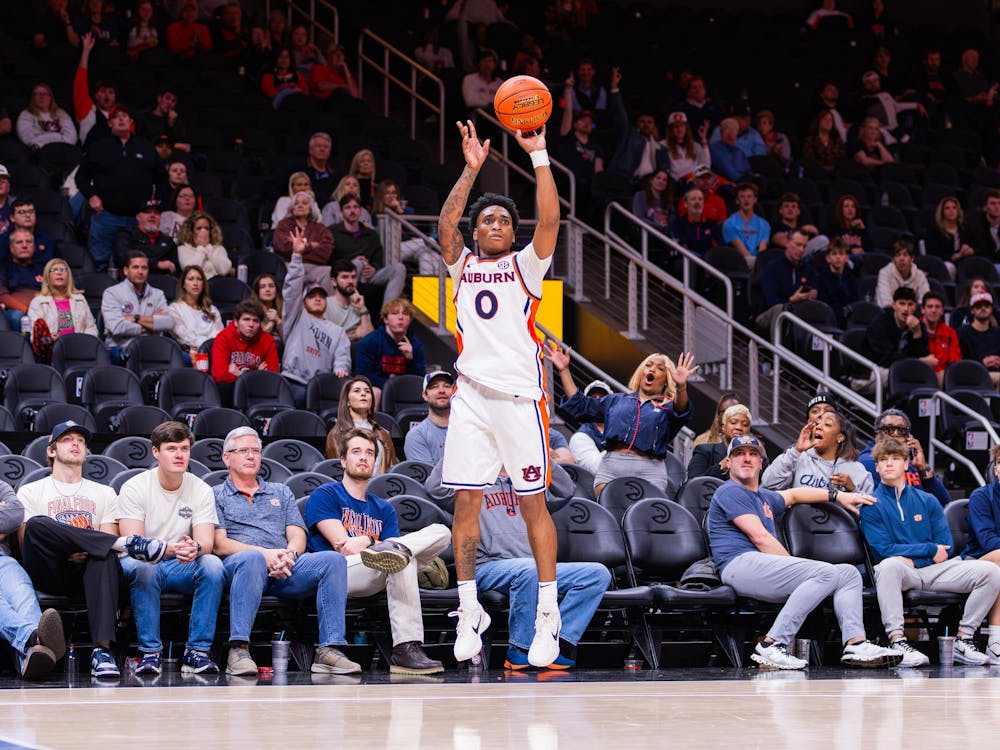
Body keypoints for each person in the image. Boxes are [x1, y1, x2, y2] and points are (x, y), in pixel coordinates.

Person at [435, 117, 567, 666]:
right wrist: (469, 172)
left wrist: (537, 154)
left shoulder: (526, 268)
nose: (492, 223)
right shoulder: (462, 265)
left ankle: (547, 614)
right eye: (485, 218)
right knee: (465, 502)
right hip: (470, 397)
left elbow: (552, 219)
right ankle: (470, 609)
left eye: (501, 219)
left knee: (531, 503)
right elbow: (446, 225)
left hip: (518, 401)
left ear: (512, 234)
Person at [708, 434, 900, 670]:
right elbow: (761, 538)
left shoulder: (765, 497)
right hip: (737, 565)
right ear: (728, 463)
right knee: (825, 573)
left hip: (760, 567)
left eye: (752, 454)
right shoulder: (729, 491)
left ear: (761, 463)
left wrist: (838, 495)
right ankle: (772, 644)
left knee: (848, 573)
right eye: (739, 454)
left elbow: (795, 494)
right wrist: (799, 571)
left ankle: (856, 643)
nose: (746, 459)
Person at [17, 420, 167, 679]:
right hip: (50, 569)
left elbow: (106, 538)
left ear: (86, 451)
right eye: (67, 439)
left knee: (104, 553)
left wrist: (89, 549)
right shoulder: (31, 491)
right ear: (51, 451)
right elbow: (26, 542)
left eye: (80, 440)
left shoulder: (105, 493)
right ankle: (127, 543)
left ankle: (102, 651)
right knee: (38, 524)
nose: (75, 443)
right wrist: (71, 548)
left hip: (90, 570)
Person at [429, 457, 609, 670]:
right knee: (529, 570)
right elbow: (434, 488)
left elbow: (566, 488)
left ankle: (558, 642)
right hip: (488, 566)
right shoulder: (471, 486)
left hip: (534, 568)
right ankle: (520, 648)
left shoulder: (530, 485)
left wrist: (536, 449)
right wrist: (460, 445)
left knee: (597, 574)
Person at [213, 426, 361, 676]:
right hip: (241, 569)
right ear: (227, 458)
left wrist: (289, 555)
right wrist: (264, 554)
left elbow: (297, 534)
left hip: (284, 568)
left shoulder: (280, 491)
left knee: (333, 561)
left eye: (255, 451)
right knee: (251, 559)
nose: (251, 456)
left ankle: (329, 650)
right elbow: (219, 544)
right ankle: (238, 649)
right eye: (243, 451)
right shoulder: (215, 495)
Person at [304, 429, 449, 674]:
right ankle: (405, 648)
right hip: (340, 572)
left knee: (440, 532)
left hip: (377, 569)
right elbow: (344, 547)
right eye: (356, 452)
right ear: (343, 460)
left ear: (376, 462)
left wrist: (370, 543)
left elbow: (377, 547)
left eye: (370, 453)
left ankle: (406, 648)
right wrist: (374, 539)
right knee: (400, 559)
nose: (363, 457)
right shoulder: (326, 494)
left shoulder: (383, 508)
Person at [860, 438, 1000, 667]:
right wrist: (927, 549)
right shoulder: (871, 505)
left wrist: (919, 556)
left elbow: (945, 546)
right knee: (888, 566)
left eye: (895, 459)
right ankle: (897, 640)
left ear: (906, 464)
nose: (888, 464)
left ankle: (963, 640)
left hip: (935, 570)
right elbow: (882, 551)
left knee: (991, 571)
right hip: (904, 572)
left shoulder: (928, 500)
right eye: (883, 460)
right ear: (876, 467)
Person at [118, 421, 226, 675]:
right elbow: (134, 543)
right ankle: (149, 653)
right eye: (172, 448)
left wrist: (194, 548)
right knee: (144, 569)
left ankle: (197, 652)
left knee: (212, 564)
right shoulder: (135, 487)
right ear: (155, 452)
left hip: (179, 564)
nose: (180, 455)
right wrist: (171, 549)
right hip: (142, 563)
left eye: (185, 449)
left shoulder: (200, 489)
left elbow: (206, 543)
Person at [552, 345, 695, 498]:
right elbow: (580, 404)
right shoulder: (616, 400)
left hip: (650, 470)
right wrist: (564, 370)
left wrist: (681, 387)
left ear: (667, 379)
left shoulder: (668, 408)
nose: (652, 370)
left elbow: (681, 410)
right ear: (641, 372)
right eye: (648, 365)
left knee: (645, 519)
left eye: (660, 368)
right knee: (609, 516)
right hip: (611, 467)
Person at [76, 104, 163, 271]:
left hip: (138, 219)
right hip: (106, 215)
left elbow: (161, 178)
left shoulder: (146, 147)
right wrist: (92, 196)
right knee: (100, 263)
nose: (121, 119)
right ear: (110, 123)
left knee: (137, 265)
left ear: (131, 121)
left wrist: (156, 205)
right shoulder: (98, 147)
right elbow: (81, 177)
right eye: (117, 116)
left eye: (125, 116)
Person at [281, 242, 351, 407]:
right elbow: (292, 289)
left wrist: (340, 367)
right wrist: (297, 257)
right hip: (293, 382)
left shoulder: (337, 331)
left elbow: (343, 356)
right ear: (304, 302)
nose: (318, 298)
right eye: (312, 296)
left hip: (321, 387)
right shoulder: (296, 317)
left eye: (321, 296)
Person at [858, 408, 951, 506]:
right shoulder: (869, 461)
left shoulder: (912, 464)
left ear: (908, 437)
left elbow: (944, 501)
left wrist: (924, 468)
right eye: (889, 429)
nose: (895, 434)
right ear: (877, 435)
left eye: (901, 430)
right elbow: (889, 504)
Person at [762, 411, 873, 493]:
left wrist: (853, 490)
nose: (818, 426)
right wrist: (796, 451)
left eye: (827, 424)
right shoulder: (799, 458)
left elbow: (869, 513)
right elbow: (768, 483)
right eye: (818, 423)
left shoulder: (857, 470)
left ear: (840, 437)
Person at [331, 195, 406, 307]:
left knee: (399, 268)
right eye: (348, 207)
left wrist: (374, 268)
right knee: (357, 263)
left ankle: (387, 314)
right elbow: (331, 259)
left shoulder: (370, 234)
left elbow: (378, 257)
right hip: (347, 273)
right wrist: (351, 262)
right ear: (341, 212)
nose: (352, 211)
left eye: (356, 207)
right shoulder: (333, 232)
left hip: (369, 275)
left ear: (360, 211)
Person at [101, 250, 174, 365]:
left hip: (151, 347)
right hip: (121, 348)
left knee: (184, 358)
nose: (140, 272)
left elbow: (168, 323)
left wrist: (136, 318)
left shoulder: (157, 294)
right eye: (135, 267)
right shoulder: (112, 293)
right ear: (126, 270)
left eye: (144, 268)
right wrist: (153, 323)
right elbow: (117, 327)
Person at [962, 444, 1000, 663]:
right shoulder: (981, 496)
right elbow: (987, 541)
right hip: (976, 560)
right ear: (996, 469)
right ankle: (995, 643)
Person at [857, 286, 932, 391]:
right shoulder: (880, 324)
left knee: (923, 375)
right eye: (902, 304)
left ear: (915, 307)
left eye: (910, 304)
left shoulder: (918, 326)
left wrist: (917, 334)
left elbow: (922, 354)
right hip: (868, 373)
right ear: (894, 305)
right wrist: (917, 361)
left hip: (897, 369)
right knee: (904, 376)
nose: (906, 309)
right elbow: (886, 359)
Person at [210, 299, 279, 406]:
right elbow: (220, 375)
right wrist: (256, 375)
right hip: (230, 392)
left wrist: (240, 375)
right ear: (236, 322)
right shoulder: (224, 337)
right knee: (224, 386)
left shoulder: (267, 340)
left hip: (256, 394)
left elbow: (272, 377)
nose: (251, 325)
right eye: (246, 319)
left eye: (255, 321)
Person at [27, 258, 98, 360]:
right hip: (52, 352)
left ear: (69, 277)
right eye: (55, 270)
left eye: (63, 270)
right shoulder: (38, 302)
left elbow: (90, 327)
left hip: (80, 349)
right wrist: (48, 338)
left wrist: (85, 343)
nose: (59, 273)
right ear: (47, 277)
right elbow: (35, 335)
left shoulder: (79, 300)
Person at [325, 377, 398, 475]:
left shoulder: (383, 434)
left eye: (367, 391)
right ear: (347, 401)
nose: (363, 394)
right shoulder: (336, 434)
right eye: (357, 391)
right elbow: (337, 473)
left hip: (379, 488)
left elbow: (392, 471)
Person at [607, 68, 669, 182]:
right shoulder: (628, 136)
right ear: (636, 124)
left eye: (650, 122)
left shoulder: (661, 149)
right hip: (627, 181)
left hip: (651, 185)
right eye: (642, 121)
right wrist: (614, 88)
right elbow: (620, 115)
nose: (646, 125)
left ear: (655, 127)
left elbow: (665, 171)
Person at [755, 229, 818, 333]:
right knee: (780, 309)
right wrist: (791, 300)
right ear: (787, 243)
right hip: (769, 313)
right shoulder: (772, 267)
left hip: (799, 312)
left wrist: (812, 296)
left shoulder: (808, 270)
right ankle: (776, 348)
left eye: (804, 246)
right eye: (798, 245)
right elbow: (770, 301)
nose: (801, 250)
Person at [374, 180, 440, 276]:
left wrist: (399, 211)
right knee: (429, 243)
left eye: (393, 193)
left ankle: (428, 289)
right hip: (388, 251)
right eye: (387, 193)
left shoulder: (405, 213)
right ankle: (432, 246)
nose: (391, 196)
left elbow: (413, 232)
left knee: (426, 254)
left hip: (407, 248)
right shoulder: (377, 215)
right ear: (381, 196)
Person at [274, 191, 334, 289]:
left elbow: (325, 253)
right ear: (292, 208)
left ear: (310, 208)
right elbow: (283, 248)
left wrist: (299, 248)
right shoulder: (283, 225)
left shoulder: (320, 228)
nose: (300, 205)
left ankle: (327, 304)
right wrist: (311, 246)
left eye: (304, 203)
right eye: (296, 203)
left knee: (327, 271)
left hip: (314, 267)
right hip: (290, 265)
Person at [168, 265, 223, 364]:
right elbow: (183, 336)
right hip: (190, 352)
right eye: (191, 279)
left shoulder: (212, 309)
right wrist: (205, 345)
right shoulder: (174, 309)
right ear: (183, 284)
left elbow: (220, 334)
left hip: (214, 351)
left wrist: (210, 347)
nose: (195, 283)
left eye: (199, 279)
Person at [687, 403, 752, 482]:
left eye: (745, 424)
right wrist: (721, 467)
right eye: (733, 422)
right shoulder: (704, 451)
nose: (739, 427)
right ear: (723, 427)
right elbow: (693, 483)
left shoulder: (757, 458)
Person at [113, 198, 179, 275]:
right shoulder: (126, 236)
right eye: (147, 212)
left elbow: (174, 266)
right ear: (138, 217)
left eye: (156, 213)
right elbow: (123, 258)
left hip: (162, 282)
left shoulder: (168, 241)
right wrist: (156, 264)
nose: (152, 215)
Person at [0, 229, 49, 330]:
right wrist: (28, 311)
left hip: (45, 310)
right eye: (19, 242)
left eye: (28, 242)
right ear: (11, 248)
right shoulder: (4, 268)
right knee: (17, 317)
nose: (24, 245)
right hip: (19, 312)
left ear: (34, 246)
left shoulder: (43, 269)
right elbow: (2, 296)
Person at [403, 370, 454, 465]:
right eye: (434, 387)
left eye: (447, 386)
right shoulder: (417, 436)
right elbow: (427, 478)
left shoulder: (467, 428)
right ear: (425, 395)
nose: (442, 390)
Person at [957, 291, 1000, 388]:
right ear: (972, 310)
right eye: (978, 306)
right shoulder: (962, 333)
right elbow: (961, 362)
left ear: (991, 309)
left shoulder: (998, 332)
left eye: (986, 305)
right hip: (973, 374)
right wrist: (982, 362)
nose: (983, 308)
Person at [15, 83, 77, 150]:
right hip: (39, 150)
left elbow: (72, 137)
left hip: (63, 149)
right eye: (37, 94)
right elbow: (26, 137)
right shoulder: (26, 114)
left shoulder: (61, 113)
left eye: (45, 94)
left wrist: (47, 139)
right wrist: (57, 138)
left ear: (50, 97)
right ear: (33, 98)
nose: (42, 97)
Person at [722, 182, 769, 268]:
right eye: (742, 196)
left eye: (749, 196)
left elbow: (762, 249)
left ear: (755, 200)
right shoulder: (729, 224)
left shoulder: (764, 224)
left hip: (758, 264)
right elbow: (741, 249)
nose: (746, 200)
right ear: (737, 201)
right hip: (738, 263)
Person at [324, 259, 374, 341]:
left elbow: (371, 339)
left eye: (353, 277)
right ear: (334, 282)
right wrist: (355, 335)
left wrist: (362, 309)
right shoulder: (326, 305)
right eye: (345, 277)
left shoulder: (360, 304)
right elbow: (326, 341)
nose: (350, 281)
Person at [815, 238, 861, 327]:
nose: (838, 257)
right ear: (828, 258)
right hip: (829, 321)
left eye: (841, 254)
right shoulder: (820, 279)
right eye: (834, 254)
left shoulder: (852, 279)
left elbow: (856, 301)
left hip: (849, 321)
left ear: (846, 258)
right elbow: (823, 306)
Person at [925, 196, 975, 275]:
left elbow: (975, 246)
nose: (951, 211)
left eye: (954, 208)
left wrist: (970, 250)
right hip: (944, 263)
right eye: (947, 208)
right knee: (949, 267)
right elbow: (933, 254)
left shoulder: (965, 229)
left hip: (963, 263)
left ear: (958, 211)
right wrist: (957, 255)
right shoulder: (934, 231)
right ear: (942, 212)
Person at [921, 291, 961, 386]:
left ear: (942, 311)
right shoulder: (915, 329)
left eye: (937, 307)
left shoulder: (950, 333)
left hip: (944, 376)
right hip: (920, 372)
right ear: (923, 310)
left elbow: (954, 360)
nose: (934, 310)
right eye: (930, 307)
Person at [175, 212, 232, 280]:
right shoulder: (183, 249)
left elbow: (224, 271)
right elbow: (191, 271)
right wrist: (201, 248)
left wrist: (208, 248)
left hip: (219, 285)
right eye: (199, 228)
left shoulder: (218, 248)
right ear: (191, 231)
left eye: (206, 228)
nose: (203, 231)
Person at [875, 240, 930, 309]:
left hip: (914, 315)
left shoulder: (920, 275)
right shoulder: (884, 273)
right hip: (890, 315)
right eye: (898, 255)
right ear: (893, 259)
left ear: (912, 258)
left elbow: (926, 300)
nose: (901, 259)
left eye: (905, 255)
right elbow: (886, 303)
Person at [669, 186, 722, 256]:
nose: (697, 202)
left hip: (708, 263)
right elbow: (681, 249)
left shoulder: (711, 224)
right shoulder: (678, 224)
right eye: (693, 199)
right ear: (685, 204)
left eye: (700, 199)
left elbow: (721, 246)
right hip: (688, 262)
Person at [662, 111, 710, 183]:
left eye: (682, 126)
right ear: (670, 130)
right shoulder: (663, 146)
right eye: (676, 126)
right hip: (676, 185)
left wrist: (704, 141)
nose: (679, 129)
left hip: (695, 182)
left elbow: (705, 166)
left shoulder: (695, 146)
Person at [250, 273, 283, 344]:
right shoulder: (250, 310)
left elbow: (290, 339)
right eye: (262, 287)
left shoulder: (284, 309)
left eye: (271, 286)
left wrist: (278, 321)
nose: (267, 289)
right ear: (257, 291)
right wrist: (267, 328)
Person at [969, 189, 1000, 260]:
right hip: (985, 263)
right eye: (992, 203)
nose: (997, 207)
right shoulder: (976, 226)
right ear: (985, 208)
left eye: (999, 203)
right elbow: (981, 251)